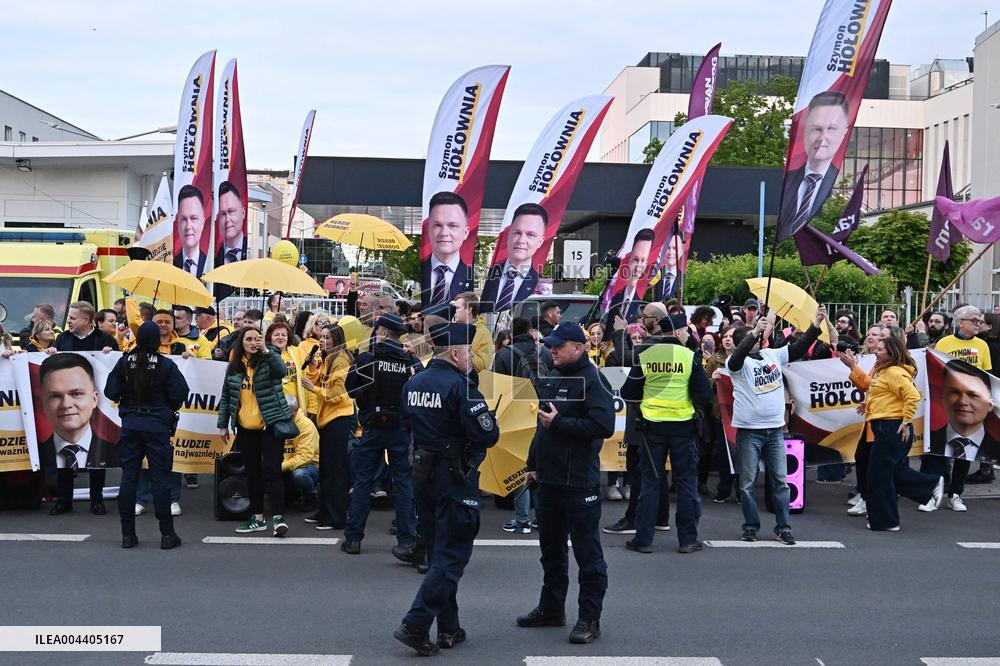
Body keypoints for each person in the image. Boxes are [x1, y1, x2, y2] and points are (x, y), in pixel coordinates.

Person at [393, 323, 499, 656]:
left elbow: (405, 424)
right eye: (468, 352)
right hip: (454, 477)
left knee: (439, 552)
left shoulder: (414, 383)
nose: (471, 358)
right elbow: (487, 435)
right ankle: (416, 624)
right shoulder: (461, 387)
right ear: (455, 353)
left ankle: (448, 627)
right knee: (452, 554)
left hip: (423, 474)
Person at [517, 322, 614, 645]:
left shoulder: (594, 379)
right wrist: (533, 464)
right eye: (551, 345)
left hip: (579, 483)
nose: (552, 350)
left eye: (559, 346)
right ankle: (551, 608)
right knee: (551, 552)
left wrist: (560, 422)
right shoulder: (555, 376)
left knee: (588, 556)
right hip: (550, 481)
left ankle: (589, 618)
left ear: (579, 347)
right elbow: (542, 425)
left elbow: (603, 426)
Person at [727, 306, 825, 544]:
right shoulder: (735, 363)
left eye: (758, 336)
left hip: (775, 430)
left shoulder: (772, 355)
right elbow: (738, 356)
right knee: (747, 483)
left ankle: (783, 527)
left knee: (781, 481)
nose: (759, 339)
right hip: (749, 431)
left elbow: (798, 348)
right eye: (753, 337)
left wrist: (816, 324)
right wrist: (753, 333)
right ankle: (751, 526)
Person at [621, 313, 713, 553]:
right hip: (683, 428)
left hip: (652, 428)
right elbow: (705, 395)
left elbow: (628, 392)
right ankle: (688, 539)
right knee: (686, 485)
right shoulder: (688, 356)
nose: (688, 335)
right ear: (678, 332)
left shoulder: (646, 356)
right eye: (686, 331)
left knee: (650, 483)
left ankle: (643, 540)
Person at [839, 336, 943, 530]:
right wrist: (854, 369)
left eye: (880, 349)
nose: (875, 352)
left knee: (879, 475)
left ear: (891, 353)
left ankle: (890, 518)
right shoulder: (884, 370)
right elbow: (871, 387)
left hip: (891, 427)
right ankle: (926, 488)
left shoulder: (894, 372)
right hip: (884, 426)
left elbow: (912, 396)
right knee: (884, 473)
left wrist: (906, 421)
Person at [343, 313, 422, 556]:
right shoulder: (410, 361)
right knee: (403, 483)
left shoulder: (368, 358)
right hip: (401, 427)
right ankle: (407, 540)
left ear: (384, 333)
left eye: (377, 331)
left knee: (363, 480)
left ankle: (353, 538)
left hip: (373, 426)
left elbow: (350, 388)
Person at [105, 322, 189, 549]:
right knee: (160, 479)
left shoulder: (125, 362)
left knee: (128, 478)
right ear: (157, 340)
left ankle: (127, 535)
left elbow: (110, 391)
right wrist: (166, 407)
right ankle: (167, 535)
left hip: (131, 424)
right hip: (157, 426)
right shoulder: (165, 364)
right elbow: (180, 392)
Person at [217, 326, 293, 537]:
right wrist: (223, 424)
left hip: (270, 425)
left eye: (257, 339)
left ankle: (278, 518)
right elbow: (226, 396)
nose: (253, 343)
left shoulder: (270, 357)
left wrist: (266, 351)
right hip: (245, 428)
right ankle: (257, 518)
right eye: (248, 339)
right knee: (252, 473)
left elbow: (282, 371)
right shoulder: (234, 366)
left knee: (272, 471)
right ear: (241, 342)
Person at [37, 353, 115, 516]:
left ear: (94, 399)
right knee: (61, 464)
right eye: (56, 396)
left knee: (98, 465)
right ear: (43, 403)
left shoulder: (111, 449)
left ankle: (97, 500)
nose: (66, 405)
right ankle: (64, 501)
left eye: (76, 394)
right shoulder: (41, 450)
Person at [302, 323, 355, 530]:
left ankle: (336, 516)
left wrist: (314, 389)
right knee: (326, 469)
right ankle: (324, 510)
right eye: (321, 337)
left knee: (335, 470)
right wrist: (312, 367)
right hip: (327, 418)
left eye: (327, 338)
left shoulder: (340, 360)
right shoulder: (328, 358)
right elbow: (318, 380)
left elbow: (337, 394)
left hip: (338, 419)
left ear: (336, 340)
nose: (322, 341)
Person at [778, 90, 850, 235]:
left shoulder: (843, 190)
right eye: (816, 129)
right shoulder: (785, 181)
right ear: (805, 132)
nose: (822, 138)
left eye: (831, 129)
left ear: (844, 133)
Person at [480, 203, 547, 312]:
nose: (521, 240)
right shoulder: (490, 273)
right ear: (509, 234)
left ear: (540, 242)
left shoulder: (541, 285)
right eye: (517, 233)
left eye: (530, 235)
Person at [421, 191, 472, 306]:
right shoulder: (419, 270)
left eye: (452, 226)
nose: (444, 233)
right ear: (428, 230)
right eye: (437, 225)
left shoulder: (470, 276)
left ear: (465, 232)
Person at [706, 325, 737, 502]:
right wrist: (713, 379)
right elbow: (704, 382)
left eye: (731, 336)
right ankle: (724, 489)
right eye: (725, 336)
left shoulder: (744, 359)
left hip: (740, 414)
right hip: (720, 414)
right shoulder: (714, 359)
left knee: (741, 453)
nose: (727, 339)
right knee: (724, 454)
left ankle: (740, 490)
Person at [281, 395, 320, 512]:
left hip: (311, 465)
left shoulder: (306, 425)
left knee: (299, 474)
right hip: (289, 463)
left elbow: (304, 457)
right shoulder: (281, 423)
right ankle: (293, 495)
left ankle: (312, 497)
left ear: (295, 410)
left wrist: (281, 466)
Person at [608, 228, 655, 323]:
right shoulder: (615, 298)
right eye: (635, 260)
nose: (638, 267)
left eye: (643, 261)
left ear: (646, 264)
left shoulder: (644, 304)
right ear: (629, 259)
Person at [52, 301, 118, 353]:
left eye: (72, 318)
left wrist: (111, 354)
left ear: (86, 320)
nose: (68, 321)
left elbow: (117, 362)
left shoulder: (107, 340)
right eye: (68, 317)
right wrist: (50, 351)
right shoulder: (62, 338)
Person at [452, 292, 492, 373]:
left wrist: (463, 350)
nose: (453, 311)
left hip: (468, 379)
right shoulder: (452, 328)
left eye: (457, 308)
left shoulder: (484, 333)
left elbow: (482, 365)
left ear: (469, 309)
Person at [173, 184, 209, 277]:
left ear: (202, 223)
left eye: (193, 218)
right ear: (178, 223)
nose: (188, 226)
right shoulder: (170, 266)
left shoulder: (212, 265)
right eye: (184, 219)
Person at [215, 180, 247, 267]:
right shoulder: (212, 256)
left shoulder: (253, 251)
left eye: (231, 211)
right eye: (223, 214)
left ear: (243, 213)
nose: (227, 220)